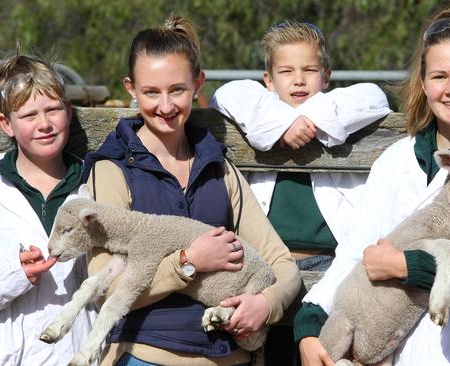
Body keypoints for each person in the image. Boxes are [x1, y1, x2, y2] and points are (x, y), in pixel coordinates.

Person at [295, 3, 450, 366]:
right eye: (440, 76)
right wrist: (310, 323)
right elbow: (356, 251)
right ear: (424, 82)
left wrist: (404, 265)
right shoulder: (396, 160)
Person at [82, 15, 301, 366]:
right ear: (130, 88)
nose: (165, 106)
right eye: (151, 92)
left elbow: (283, 263)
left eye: (177, 90)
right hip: (145, 355)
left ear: (197, 84)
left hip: (229, 357)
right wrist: (188, 264)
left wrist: (265, 305)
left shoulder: (218, 167)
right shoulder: (112, 171)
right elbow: (105, 287)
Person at [210, 20, 391, 366]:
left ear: (326, 77)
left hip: (330, 266)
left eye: (310, 70)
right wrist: (282, 125)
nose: (298, 79)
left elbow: (375, 96)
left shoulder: (340, 107)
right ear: (268, 80)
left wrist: (304, 119)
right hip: (266, 268)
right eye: (286, 71)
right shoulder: (258, 108)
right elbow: (227, 94)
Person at [0, 53, 95, 365]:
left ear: (69, 111)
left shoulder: (95, 189)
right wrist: (11, 276)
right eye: (29, 116)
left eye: (53, 110)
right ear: (6, 124)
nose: (45, 124)